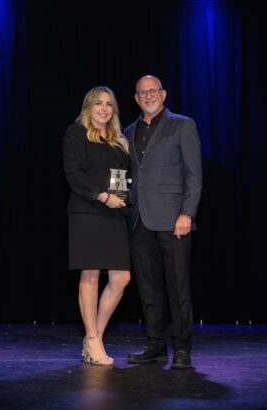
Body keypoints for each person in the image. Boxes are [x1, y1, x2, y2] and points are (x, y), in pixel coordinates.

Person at [124, 75, 202, 369]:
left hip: (174, 220)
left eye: (153, 90)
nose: (148, 96)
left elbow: (194, 174)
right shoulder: (129, 131)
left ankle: (182, 348)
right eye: (142, 92)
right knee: (148, 287)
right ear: (135, 98)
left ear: (164, 94)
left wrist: (187, 213)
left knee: (179, 287)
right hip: (139, 221)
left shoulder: (183, 124)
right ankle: (156, 345)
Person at [64, 86, 131, 366]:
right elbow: (73, 173)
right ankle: (92, 340)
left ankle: (95, 336)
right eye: (98, 103)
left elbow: (123, 178)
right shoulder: (76, 132)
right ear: (88, 107)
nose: (104, 108)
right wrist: (102, 196)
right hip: (88, 212)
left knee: (121, 278)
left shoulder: (119, 140)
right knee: (90, 277)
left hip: (115, 215)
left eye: (109, 104)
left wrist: (123, 198)